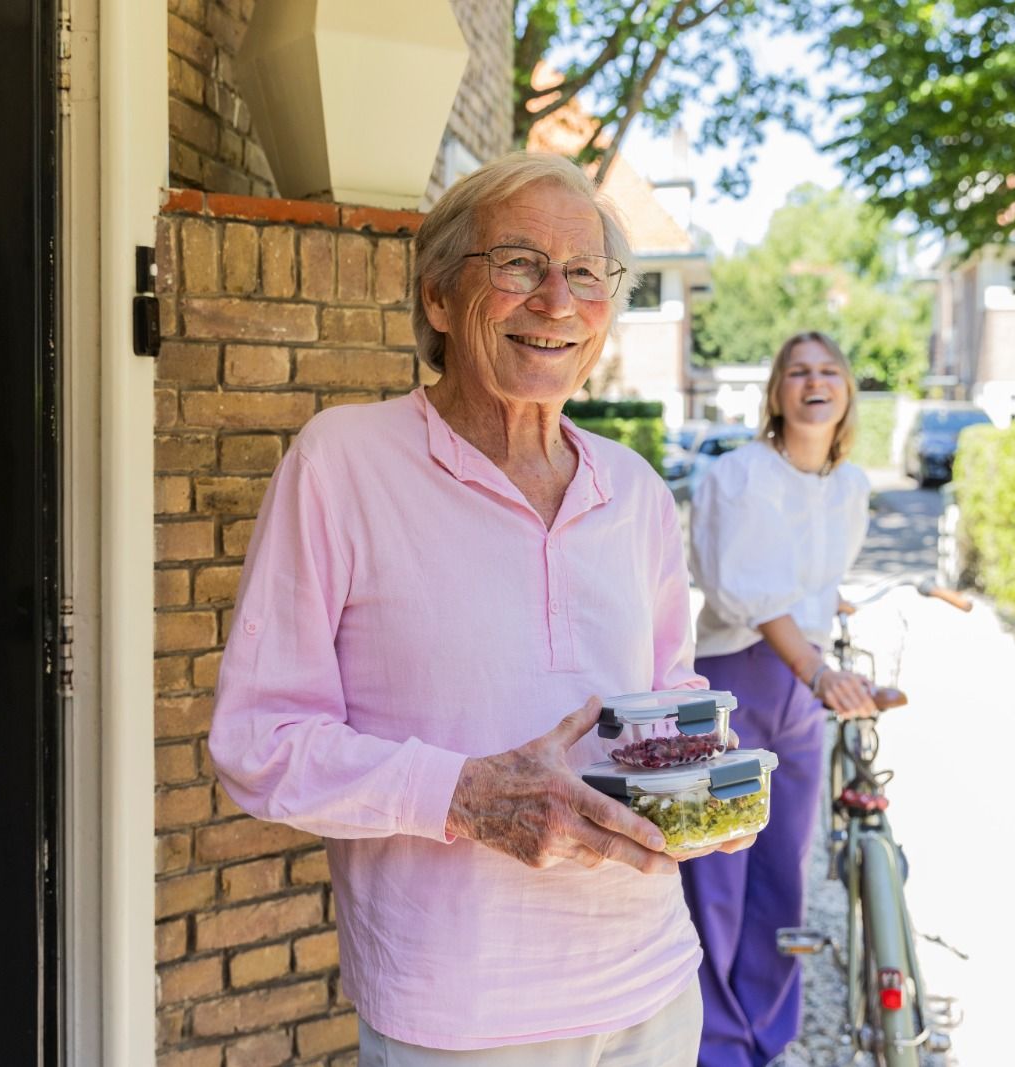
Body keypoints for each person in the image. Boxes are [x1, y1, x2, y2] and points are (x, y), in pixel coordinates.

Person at [209, 152, 751, 1066]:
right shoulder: (341, 463)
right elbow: (259, 743)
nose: (556, 301)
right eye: (518, 265)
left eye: (585, 273)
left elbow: (670, 693)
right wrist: (464, 796)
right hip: (456, 1013)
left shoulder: (637, 490)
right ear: (436, 297)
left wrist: (707, 771)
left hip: (651, 986)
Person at [681, 331, 877, 1067]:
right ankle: (715, 1046)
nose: (814, 381)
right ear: (775, 392)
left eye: (829, 369)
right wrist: (817, 670)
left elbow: (809, 580)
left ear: (848, 390)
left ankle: (765, 1033)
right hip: (739, 679)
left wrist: (833, 626)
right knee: (717, 871)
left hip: (800, 682)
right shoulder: (739, 475)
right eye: (798, 371)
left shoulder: (849, 485)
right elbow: (748, 588)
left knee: (783, 870)